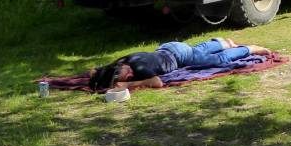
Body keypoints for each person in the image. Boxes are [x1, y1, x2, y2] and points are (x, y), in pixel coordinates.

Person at [88, 37, 270, 91]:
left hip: (179, 56)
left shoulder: (139, 68)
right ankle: (223, 42)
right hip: (168, 46)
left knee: (219, 61)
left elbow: (157, 82)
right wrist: (99, 76)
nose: (128, 75)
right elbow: (93, 71)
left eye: (124, 75)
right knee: (198, 50)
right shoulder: (121, 61)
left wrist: (128, 84)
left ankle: (250, 48)